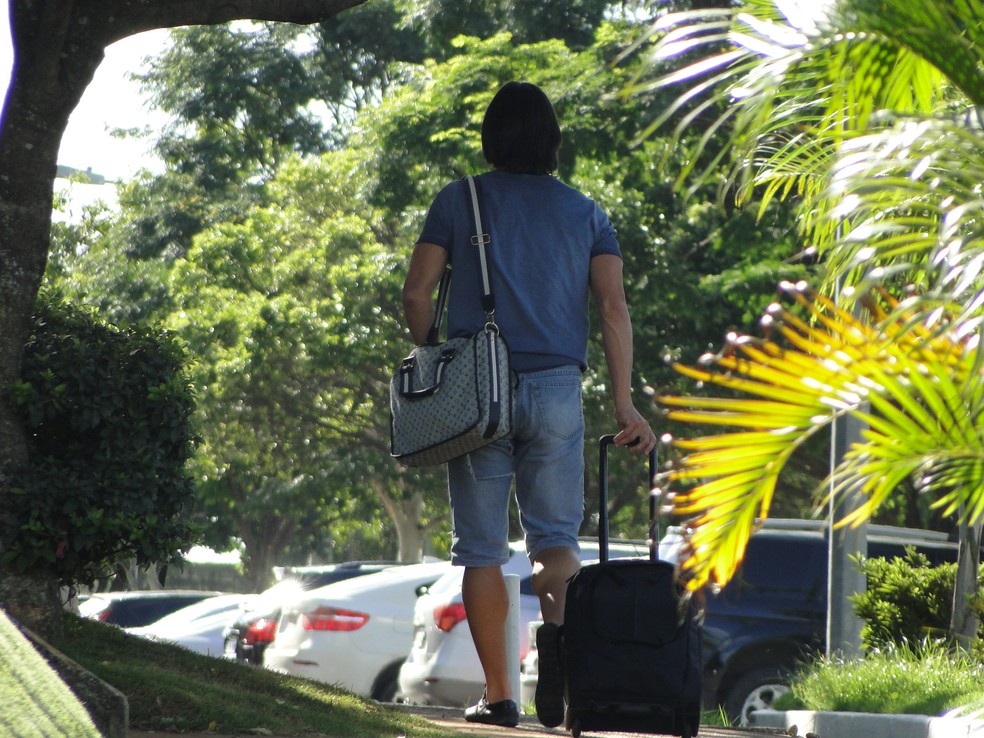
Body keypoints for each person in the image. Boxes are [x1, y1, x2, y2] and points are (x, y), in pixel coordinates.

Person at [401, 81, 656, 728]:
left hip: (477, 391)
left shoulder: (460, 200)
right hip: (557, 390)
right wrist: (624, 403)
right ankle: (564, 652)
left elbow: (416, 294)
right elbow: (613, 308)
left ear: (490, 138)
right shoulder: (587, 213)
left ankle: (501, 695)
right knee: (556, 543)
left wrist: (436, 353)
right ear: (553, 142)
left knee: (483, 549)